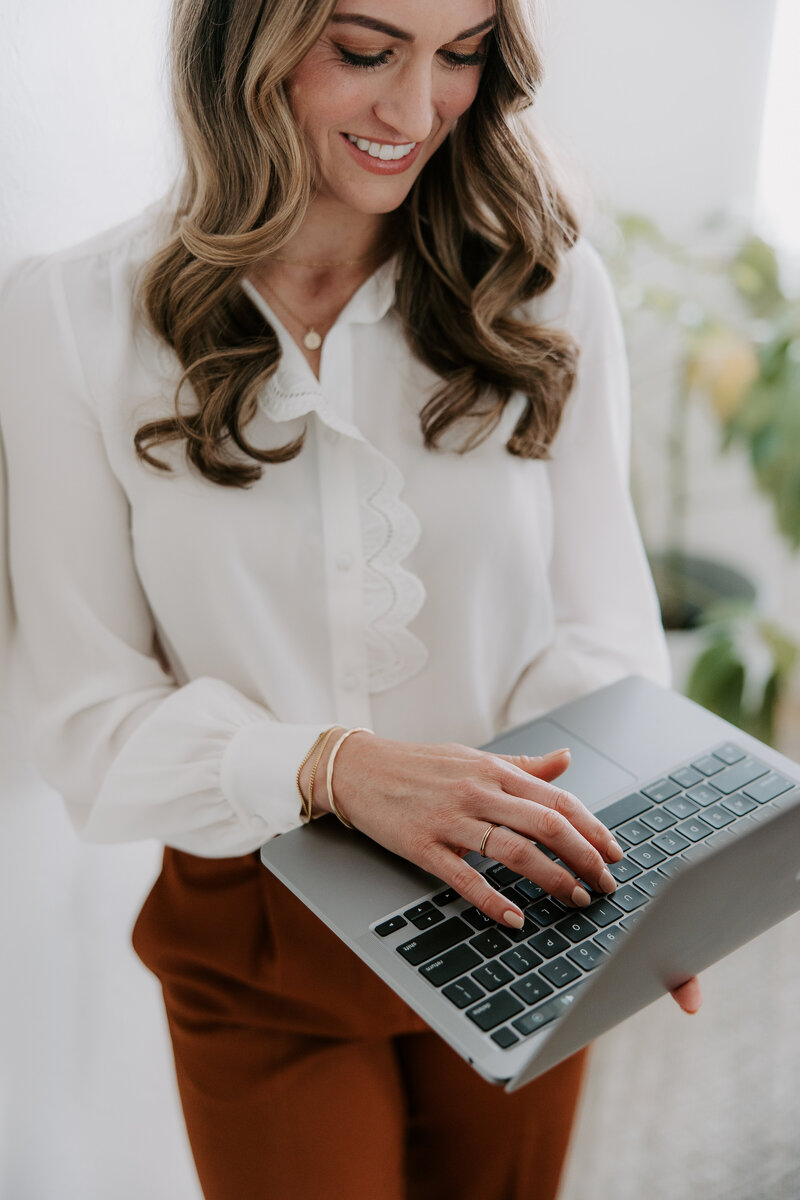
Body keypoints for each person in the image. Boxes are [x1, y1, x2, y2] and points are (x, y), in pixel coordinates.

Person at [0, 0, 702, 1196]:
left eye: (462, 54)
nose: (415, 108)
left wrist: (630, 853)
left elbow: (597, 630)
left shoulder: (543, 282)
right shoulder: (67, 317)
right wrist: (332, 768)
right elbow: (85, 719)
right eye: (365, 50)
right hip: (261, 933)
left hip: (517, 905)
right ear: (243, 41)